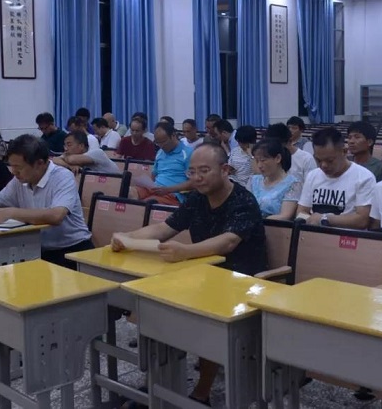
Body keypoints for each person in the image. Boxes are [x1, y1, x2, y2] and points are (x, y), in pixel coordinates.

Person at [111, 142, 268, 406]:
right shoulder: (197, 199)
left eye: (204, 171)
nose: (197, 178)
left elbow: (228, 241)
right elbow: (164, 229)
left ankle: (201, 393)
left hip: (242, 282)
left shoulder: (243, 200)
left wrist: (186, 251)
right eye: (192, 172)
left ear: (225, 170)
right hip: (204, 275)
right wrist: (127, 238)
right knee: (155, 305)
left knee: (203, 316)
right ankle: (158, 384)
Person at [0, 135, 93, 268]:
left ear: (40, 163)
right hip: (38, 250)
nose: (14, 172)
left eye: (18, 167)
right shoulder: (19, 181)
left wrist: (11, 212)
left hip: (72, 250)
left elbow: (56, 216)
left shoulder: (62, 177)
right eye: (11, 166)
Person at [296, 127, 375, 229]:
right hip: (314, 234)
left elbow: (362, 220)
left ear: (344, 151)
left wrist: (324, 219)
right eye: (318, 160)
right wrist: (310, 220)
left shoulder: (364, 177)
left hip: (347, 236)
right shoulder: (313, 175)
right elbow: (301, 211)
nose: (323, 165)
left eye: (330, 160)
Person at [132, 122, 192, 205]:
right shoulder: (160, 152)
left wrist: (168, 189)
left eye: (163, 142)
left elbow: (193, 182)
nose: (161, 146)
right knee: (130, 193)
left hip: (173, 194)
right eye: (158, 143)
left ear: (173, 135)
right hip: (156, 188)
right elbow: (154, 175)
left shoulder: (188, 154)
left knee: (147, 203)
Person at [248, 140, 301, 220]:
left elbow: (285, 216)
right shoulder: (253, 180)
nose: (259, 165)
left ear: (278, 158)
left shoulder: (293, 184)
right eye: (257, 161)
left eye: (263, 160)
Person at [52, 131, 120, 174]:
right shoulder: (70, 157)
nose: (65, 149)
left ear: (81, 146)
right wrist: (70, 166)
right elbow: (54, 160)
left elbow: (71, 159)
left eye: (69, 145)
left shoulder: (97, 153)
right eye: (65, 145)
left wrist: (65, 157)